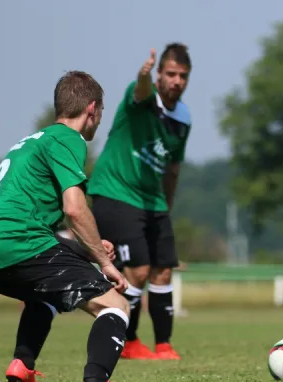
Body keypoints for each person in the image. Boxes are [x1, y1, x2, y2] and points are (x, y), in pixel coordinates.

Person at [0, 71, 130, 382]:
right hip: (15, 242)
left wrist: (88, 247)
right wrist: (103, 263)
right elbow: (75, 209)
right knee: (115, 305)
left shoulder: (33, 141)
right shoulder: (68, 139)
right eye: (101, 113)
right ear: (92, 109)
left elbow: (49, 233)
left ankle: (22, 366)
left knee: (44, 297)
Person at [87, 43, 192, 360]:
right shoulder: (142, 95)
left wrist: (167, 208)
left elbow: (172, 168)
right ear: (159, 73)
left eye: (183, 76)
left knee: (163, 271)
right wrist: (142, 75)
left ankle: (163, 345)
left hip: (153, 201)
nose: (176, 81)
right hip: (116, 192)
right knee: (139, 270)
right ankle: (128, 342)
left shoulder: (184, 117)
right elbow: (142, 88)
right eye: (170, 74)